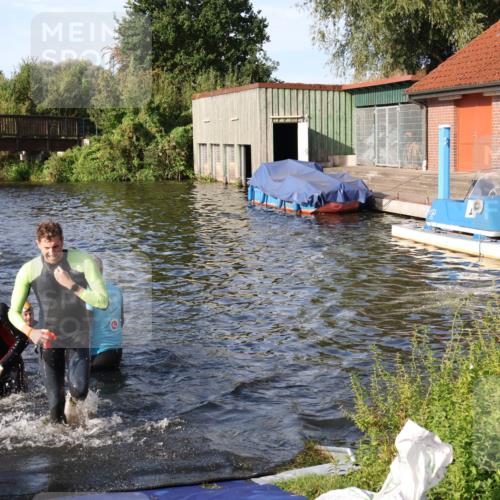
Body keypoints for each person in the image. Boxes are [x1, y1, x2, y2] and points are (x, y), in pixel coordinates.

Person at [8, 221, 108, 423]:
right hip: (48, 337)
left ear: (62, 241)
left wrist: (72, 285)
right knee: (54, 407)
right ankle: (60, 442)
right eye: (46, 248)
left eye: (56, 246)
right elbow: (13, 313)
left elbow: (103, 301)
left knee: (79, 391)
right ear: (38, 244)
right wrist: (30, 332)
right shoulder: (29, 270)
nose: (52, 253)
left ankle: (75, 413)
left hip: (78, 333)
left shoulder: (84, 262)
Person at [90, 257, 123, 371]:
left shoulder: (88, 293)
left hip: (97, 354)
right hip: (117, 351)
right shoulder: (116, 290)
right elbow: (121, 321)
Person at [0, 302, 29, 397]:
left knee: (19, 403)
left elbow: (23, 338)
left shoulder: (1, 311)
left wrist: (2, 365)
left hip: (11, 364)